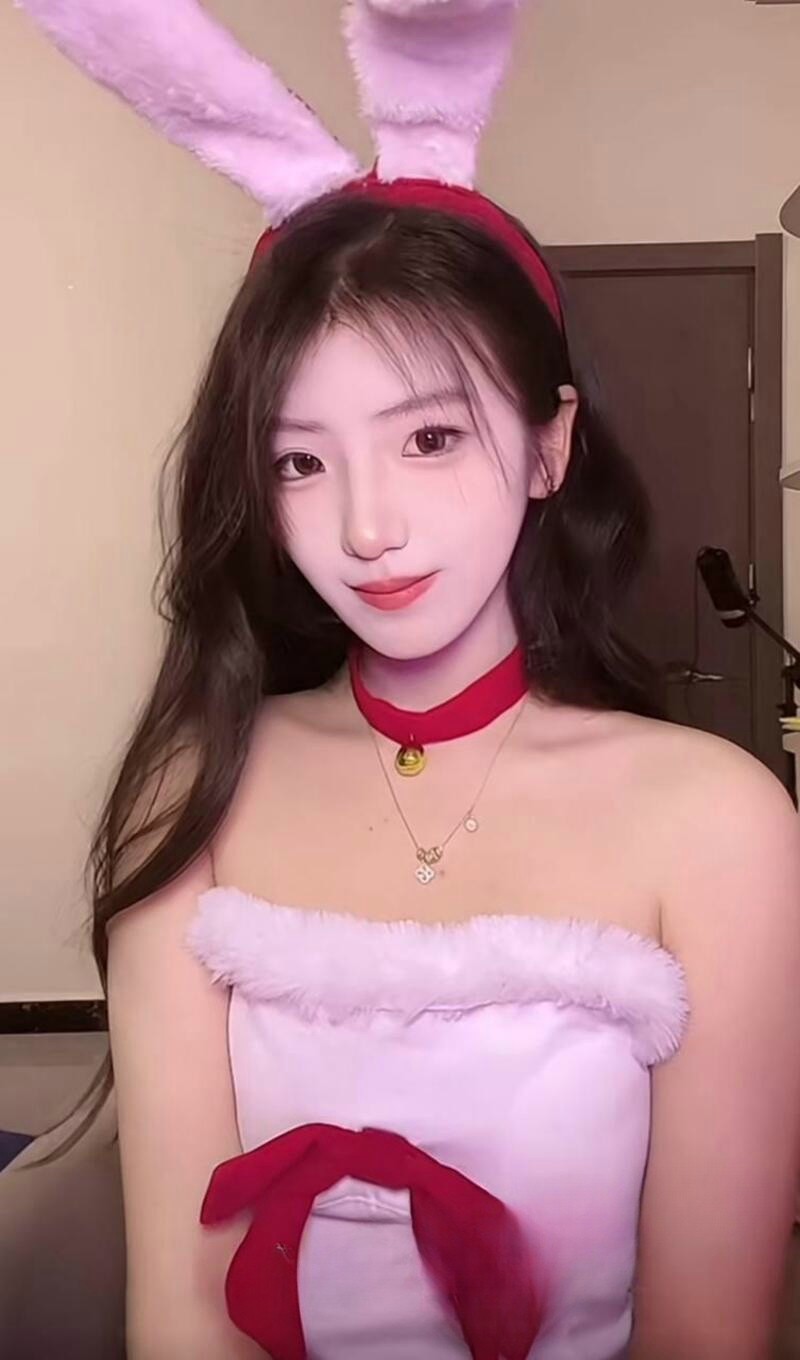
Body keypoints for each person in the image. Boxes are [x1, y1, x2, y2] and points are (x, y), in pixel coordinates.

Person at [11, 2, 800, 1358]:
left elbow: (708, 1335)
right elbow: (183, 1315)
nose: (366, 527)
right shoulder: (193, 790)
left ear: (549, 445)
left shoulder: (720, 823)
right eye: (299, 460)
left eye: (429, 437)